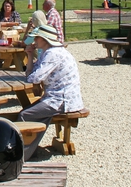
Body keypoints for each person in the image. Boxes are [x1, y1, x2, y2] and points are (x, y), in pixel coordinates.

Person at [19, 24, 83, 160]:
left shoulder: (53, 54)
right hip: (56, 98)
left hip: (62, 100)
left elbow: (34, 78)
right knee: (35, 113)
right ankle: (29, 150)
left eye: (37, 37)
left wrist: (31, 74)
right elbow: (32, 74)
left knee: (24, 115)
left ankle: (22, 154)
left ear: (45, 39)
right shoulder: (48, 52)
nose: (34, 40)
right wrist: (29, 55)